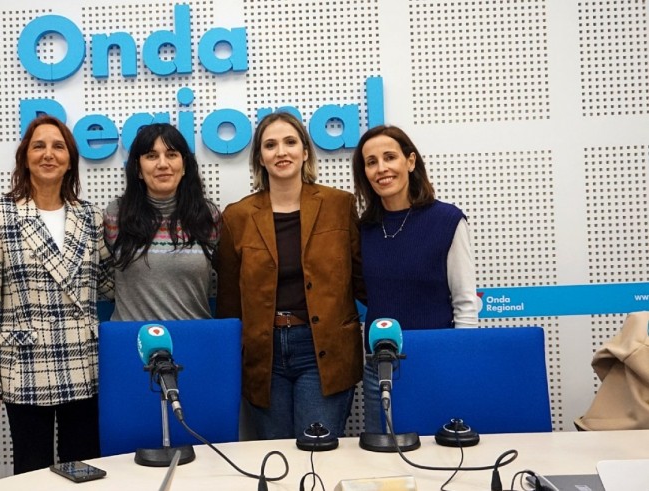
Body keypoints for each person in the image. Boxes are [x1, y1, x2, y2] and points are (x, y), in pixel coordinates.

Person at [0, 114, 114, 474]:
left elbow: (110, 282)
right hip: (26, 362)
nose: (48, 154)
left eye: (58, 146)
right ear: (24, 157)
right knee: (32, 470)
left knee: (85, 468)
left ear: (70, 159)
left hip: (84, 359)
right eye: (39, 146)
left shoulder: (91, 217)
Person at [215, 112, 365, 440]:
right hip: (263, 356)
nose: (281, 152)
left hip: (322, 348)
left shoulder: (339, 205)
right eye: (270, 145)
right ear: (260, 158)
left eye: (290, 142)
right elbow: (228, 303)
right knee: (278, 458)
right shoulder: (237, 217)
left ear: (306, 152)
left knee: (317, 456)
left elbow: (362, 281)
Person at [352, 124, 481, 434]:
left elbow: (465, 301)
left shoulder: (447, 220)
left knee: (440, 456)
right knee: (381, 461)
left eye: (389, 157)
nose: (381, 169)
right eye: (371, 162)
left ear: (410, 162)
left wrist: (459, 359)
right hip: (378, 367)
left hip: (435, 360)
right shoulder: (363, 229)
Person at [104, 123, 220, 321]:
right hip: (133, 342)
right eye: (151, 156)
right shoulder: (116, 215)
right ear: (138, 170)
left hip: (194, 339)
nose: (163, 164)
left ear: (184, 166)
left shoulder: (207, 216)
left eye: (171, 154)